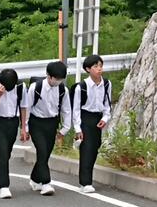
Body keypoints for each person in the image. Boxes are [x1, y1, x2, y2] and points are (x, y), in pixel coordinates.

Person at [25, 61, 70, 196]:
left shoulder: (63, 90)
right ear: (48, 76)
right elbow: (27, 108)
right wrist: (25, 128)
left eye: (61, 79)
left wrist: (65, 129)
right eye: (56, 79)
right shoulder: (36, 87)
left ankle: (35, 179)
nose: (58, 82)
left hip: (52, 123)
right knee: (42, 150)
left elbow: (66, 110)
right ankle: (46, 183)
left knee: (45, 154)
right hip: (36, 122)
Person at [0, 68, 29, 199]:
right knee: (2, 151)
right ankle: (4, 186)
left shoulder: (20, 86)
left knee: (7, 153)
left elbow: (23, 106)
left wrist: (24, 128)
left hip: (13, 121)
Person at [72, 55, 112, 193]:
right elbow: (76, 109)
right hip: (85, 118)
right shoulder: (81, 87)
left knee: (95, 148)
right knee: (86, 149)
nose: (99, 69)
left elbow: (107, 103)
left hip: (98, 118)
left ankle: (88, 178)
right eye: (95, 66)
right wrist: (78, 128)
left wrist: (105, 118)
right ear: (88, 69)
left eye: (100, 66)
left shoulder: (106, 84)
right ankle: (85, 182)